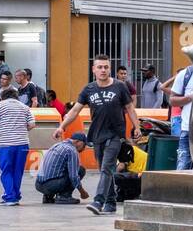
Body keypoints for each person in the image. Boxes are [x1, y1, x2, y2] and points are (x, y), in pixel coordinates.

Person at [57, 54, 139, 215]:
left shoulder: (120, 87)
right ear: (93, 69)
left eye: (106, 67)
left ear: (110, 69)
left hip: (115, 134)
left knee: (107, 167)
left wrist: (137, 127)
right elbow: (75, 110)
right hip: (97, 135)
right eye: (100, 67)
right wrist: (61, 127)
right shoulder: (89, 89)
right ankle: (111, 201)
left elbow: (130, 108)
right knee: (104, 168)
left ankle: (98, 200)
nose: (103, 70)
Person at [0, 86, 35, 205]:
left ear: (3, 97)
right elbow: (31, 124)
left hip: (6, 144)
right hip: (22, 144)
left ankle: (10, 197)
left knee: (6, 170)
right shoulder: (24, 107)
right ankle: (15, 195)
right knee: (17, 171)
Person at [35, 132, 91, 204]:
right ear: (78, 142)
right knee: (80, 170)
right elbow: (73, 176)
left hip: (38, 185)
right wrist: (82, 192)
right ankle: (64, 197)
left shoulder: (57, 145)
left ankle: (48, 196)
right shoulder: (71, 150)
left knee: (60, 169)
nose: (84, 148)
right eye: (84, 145)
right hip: (51, 186)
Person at [164, 63, 193, 170]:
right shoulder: (185, 75)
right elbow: (172, 100)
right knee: (182, 167)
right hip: (187, 129)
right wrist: (190, 98)